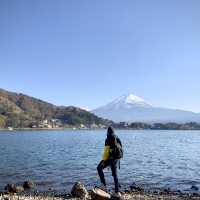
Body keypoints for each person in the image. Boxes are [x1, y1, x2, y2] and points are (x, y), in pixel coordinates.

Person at [97, 126, 123, 197]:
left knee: (99, 168)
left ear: (107, 132)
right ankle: (117, 192)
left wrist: (103, 161)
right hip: (117, 158)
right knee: (115, 175)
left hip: (111, 158)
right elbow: (121, 148)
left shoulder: (108, 139)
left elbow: (106, 152)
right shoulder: (117, 137)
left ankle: (104, 186)